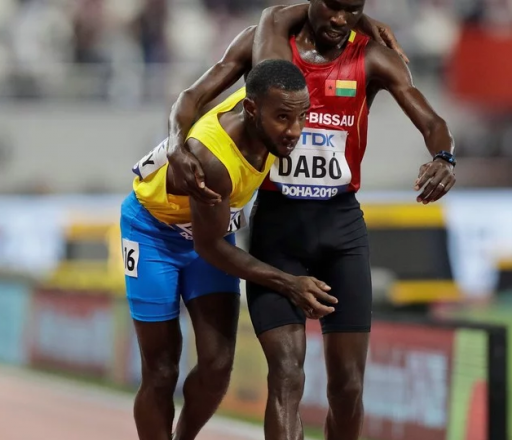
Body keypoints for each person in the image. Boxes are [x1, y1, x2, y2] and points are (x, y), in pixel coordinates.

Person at [166, 2, 458, 439]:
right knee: (286, 375)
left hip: (341, 229)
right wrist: (176, 143)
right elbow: (192, 96)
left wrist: (444, 156)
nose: (340, 20)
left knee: (348, 386)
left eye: (353, 9)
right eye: (333, 7)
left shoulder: (373, 56)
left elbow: (433, 121)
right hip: (277, 229)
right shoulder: (263, 44)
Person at [120, 59, 334, 440]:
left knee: (218, 366)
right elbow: (210, 247)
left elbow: (261, 29)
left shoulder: (268, 92)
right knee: (161, 369)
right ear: (252, 111)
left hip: (210, 230)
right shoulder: (214, 159)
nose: (294, 131)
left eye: (302, 117)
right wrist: (289, 283)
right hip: (153, 233)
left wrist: (367, 25)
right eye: (283, 119)